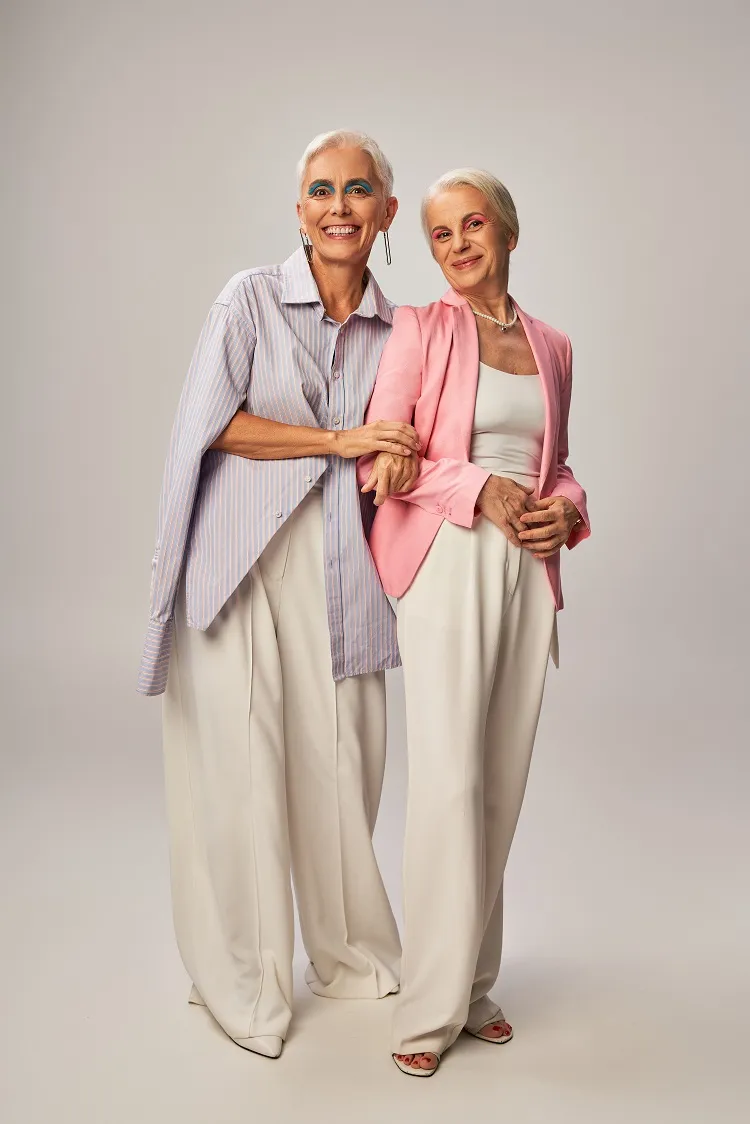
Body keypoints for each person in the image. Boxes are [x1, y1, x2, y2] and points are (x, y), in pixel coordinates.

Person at [137, 130, 417, 1058]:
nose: (339, 205)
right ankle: (242, 981)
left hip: (345, 579)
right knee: (244, 779)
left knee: (344, 770)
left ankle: (349, 956)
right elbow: (213, 427)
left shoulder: (401, 329)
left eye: (359, 189)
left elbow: (419, 448)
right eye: (321, 189)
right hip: (239, 570)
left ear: (383, 210)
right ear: (299, 210)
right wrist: (340, 441)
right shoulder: (249, 299)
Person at [358, 169, 590, 1076]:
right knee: (449, 780)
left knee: (498, 781)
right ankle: (426, 1010)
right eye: (439, 234)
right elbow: (387, 454)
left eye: (472, 226)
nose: (456, 245)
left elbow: (560, 466)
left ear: (507, 232)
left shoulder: (556, 345)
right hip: (449, 556)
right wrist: (478, 489)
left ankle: (474, 985)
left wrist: (567, 511)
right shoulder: (423, 329)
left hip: (527, 569)